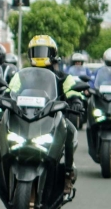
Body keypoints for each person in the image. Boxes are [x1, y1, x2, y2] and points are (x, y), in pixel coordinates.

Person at [9, 35, 82, 195]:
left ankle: (68, 173)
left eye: (43, 51)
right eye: (36, 51)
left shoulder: (63, 77)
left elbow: (73, 91)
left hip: (53, 119)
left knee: (70, 131)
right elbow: (11, 90)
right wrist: (3, 98)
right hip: (25, 117)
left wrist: (76, 100)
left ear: (53, 53)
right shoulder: (21, 75)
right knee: (5, 126)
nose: (39, 55)